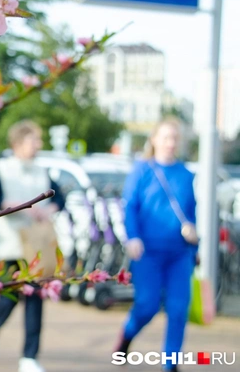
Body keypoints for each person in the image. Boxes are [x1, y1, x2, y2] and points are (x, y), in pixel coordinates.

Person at [114, 118, 198, 372]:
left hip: (179, 253)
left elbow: (190, 212)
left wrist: (193, 235)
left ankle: (170, 364)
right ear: (154, 139)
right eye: (166, 137)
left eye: (175, 138)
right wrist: (133, 237)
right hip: (148, 252)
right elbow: (129, 206)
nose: (171, 143)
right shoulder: (142, 170)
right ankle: (126, 335)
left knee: (178, 308)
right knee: (148, 305)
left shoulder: (185, 174)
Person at [0, 120, 65, 372]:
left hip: (36, 247)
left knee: (36, 299)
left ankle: (29, 357)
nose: (37, 146)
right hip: (8, 245)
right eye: (33, 140)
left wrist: (49, 208)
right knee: (8, 296)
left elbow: (59, 197)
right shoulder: (1, 168)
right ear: (18, 143)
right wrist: (14, 204)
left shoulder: (43, 170)